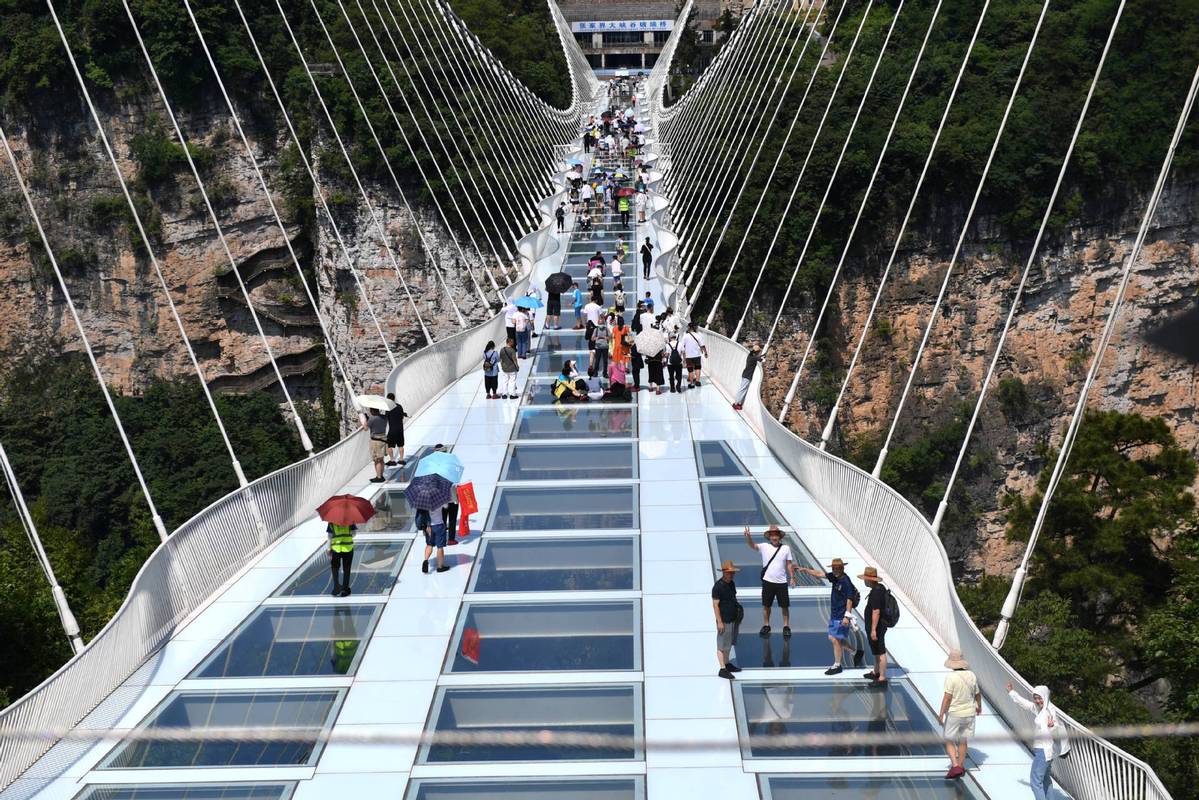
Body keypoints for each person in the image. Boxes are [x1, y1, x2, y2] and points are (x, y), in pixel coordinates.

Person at [796, 558, 863, 674]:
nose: (835, 570)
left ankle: (837, 665)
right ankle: (855, 652)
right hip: (835, 614)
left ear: (842, 568)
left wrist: (847, 616)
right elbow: (819, 574)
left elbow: (850, 599)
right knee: (836, 638)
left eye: (838, 568)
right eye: (834, 568)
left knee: (834, 638)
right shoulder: (835, 577)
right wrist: (806, 570)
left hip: (841, 615)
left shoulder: (845, 581)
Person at [1006, 681, 1068, 800]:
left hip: (1044, 751)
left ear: (1045, 696)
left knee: (1035, 781)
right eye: (1035, 698)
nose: (1037, 701)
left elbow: (1056, 727)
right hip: (1047, 751)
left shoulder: (1049, 711)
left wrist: (1052, 727)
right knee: (1045, 779)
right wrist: (1012, 692)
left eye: (1040, 698)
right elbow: (1027, 704)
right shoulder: (1041, 708)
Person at [744, 525, 798, 637]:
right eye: (772, 535)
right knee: (766, 605)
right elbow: (752, 546)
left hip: (781, 582)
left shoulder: (786, 548)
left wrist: (792, 577)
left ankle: (786, 626)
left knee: (784, 606)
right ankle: (766, 625)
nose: (774, 537)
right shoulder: (764, 546)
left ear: (779, 537)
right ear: (769, 537)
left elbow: (789, 564)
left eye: (776, 535)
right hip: (768, 581)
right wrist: (748, 537)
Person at [939, 650, 982, 780]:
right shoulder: (971, 675)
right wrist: (979, 706)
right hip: (969, 713)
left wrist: (941, 713)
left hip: (954, 713)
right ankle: (961, 766)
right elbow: (977, 694)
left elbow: (947, 697)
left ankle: (955, 765)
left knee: (949, 740)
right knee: (963, 740)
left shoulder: (951, 677)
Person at [711, 560, 742, 680]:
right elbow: (715, 605)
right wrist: (719, 622)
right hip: (724, 620)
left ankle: (727, 663)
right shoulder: (718, 587)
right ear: (724, 572)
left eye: (732, 573)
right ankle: (722, 668)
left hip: (733, 618)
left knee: (729, 644)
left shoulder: (731, 584)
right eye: (729, 573)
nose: (731, 575)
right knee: (721, 645)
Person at [861, 566, 891, 686]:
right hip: (875, 626)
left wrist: (873, 629)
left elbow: (876, 611)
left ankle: (882, 678)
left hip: (877, 627)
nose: (864, 581)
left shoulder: (877, 592)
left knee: (880, 650)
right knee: (876, 650)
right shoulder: (878, 588)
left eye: (865, 579)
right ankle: (876, 672)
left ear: (869, 580)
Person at [326, 521, 356, 596]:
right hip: (348, 548)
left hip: (336, 548)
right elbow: (354, 534)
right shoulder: (351, 520)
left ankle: (336, 587)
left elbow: (330, 536)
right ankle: (345, 589)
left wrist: (328, 548)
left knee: (335, 567)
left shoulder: (331, 521)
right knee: (347, 569)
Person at [416, 507, 449, 574]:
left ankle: (426, 561)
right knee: (440, 547)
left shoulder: (424, 504)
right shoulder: (439, 502)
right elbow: (446, 507)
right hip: (439, 525)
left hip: (428, 527)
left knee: (429, 545)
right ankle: (440, 567)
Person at [361, 407, 388, 483]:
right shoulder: (384, 417)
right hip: (383, 439)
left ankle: (379, 477)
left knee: (377, 460)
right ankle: (381, 476)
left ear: (372, 411)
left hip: (375, 441)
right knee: (381, 459)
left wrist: (365, 421)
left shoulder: (372, 419)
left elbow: (366, 428)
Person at [734, 343, 761, 411]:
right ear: (757, 352)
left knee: (742, 389)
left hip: (745, 374)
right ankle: (736, 403)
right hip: (747, 376)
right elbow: (760, 359)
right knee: (742, 390)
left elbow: (757, 358)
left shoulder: (750, 355)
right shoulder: (754, 358)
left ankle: (738, 403)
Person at [683, 322, 708, 388]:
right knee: (698, 368)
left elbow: (683, 346)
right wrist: (705, 353)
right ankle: (697, 381)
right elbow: (702, 345)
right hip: (697, 355)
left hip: (689, 356)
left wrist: (683, 355)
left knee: (690, 370)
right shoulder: (698, 335)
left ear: (689, 327)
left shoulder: (685, 336)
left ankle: (691, 383)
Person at [384, 393, 407, 466]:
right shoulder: (399, 406)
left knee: (389, 445)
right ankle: (401, 459)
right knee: (400, 445)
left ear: (388, 399)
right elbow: (402, 416)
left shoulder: (388, 408)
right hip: (400, 429)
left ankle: (392, 460)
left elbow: (386, 418)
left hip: (392, 429)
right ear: (394, 399)